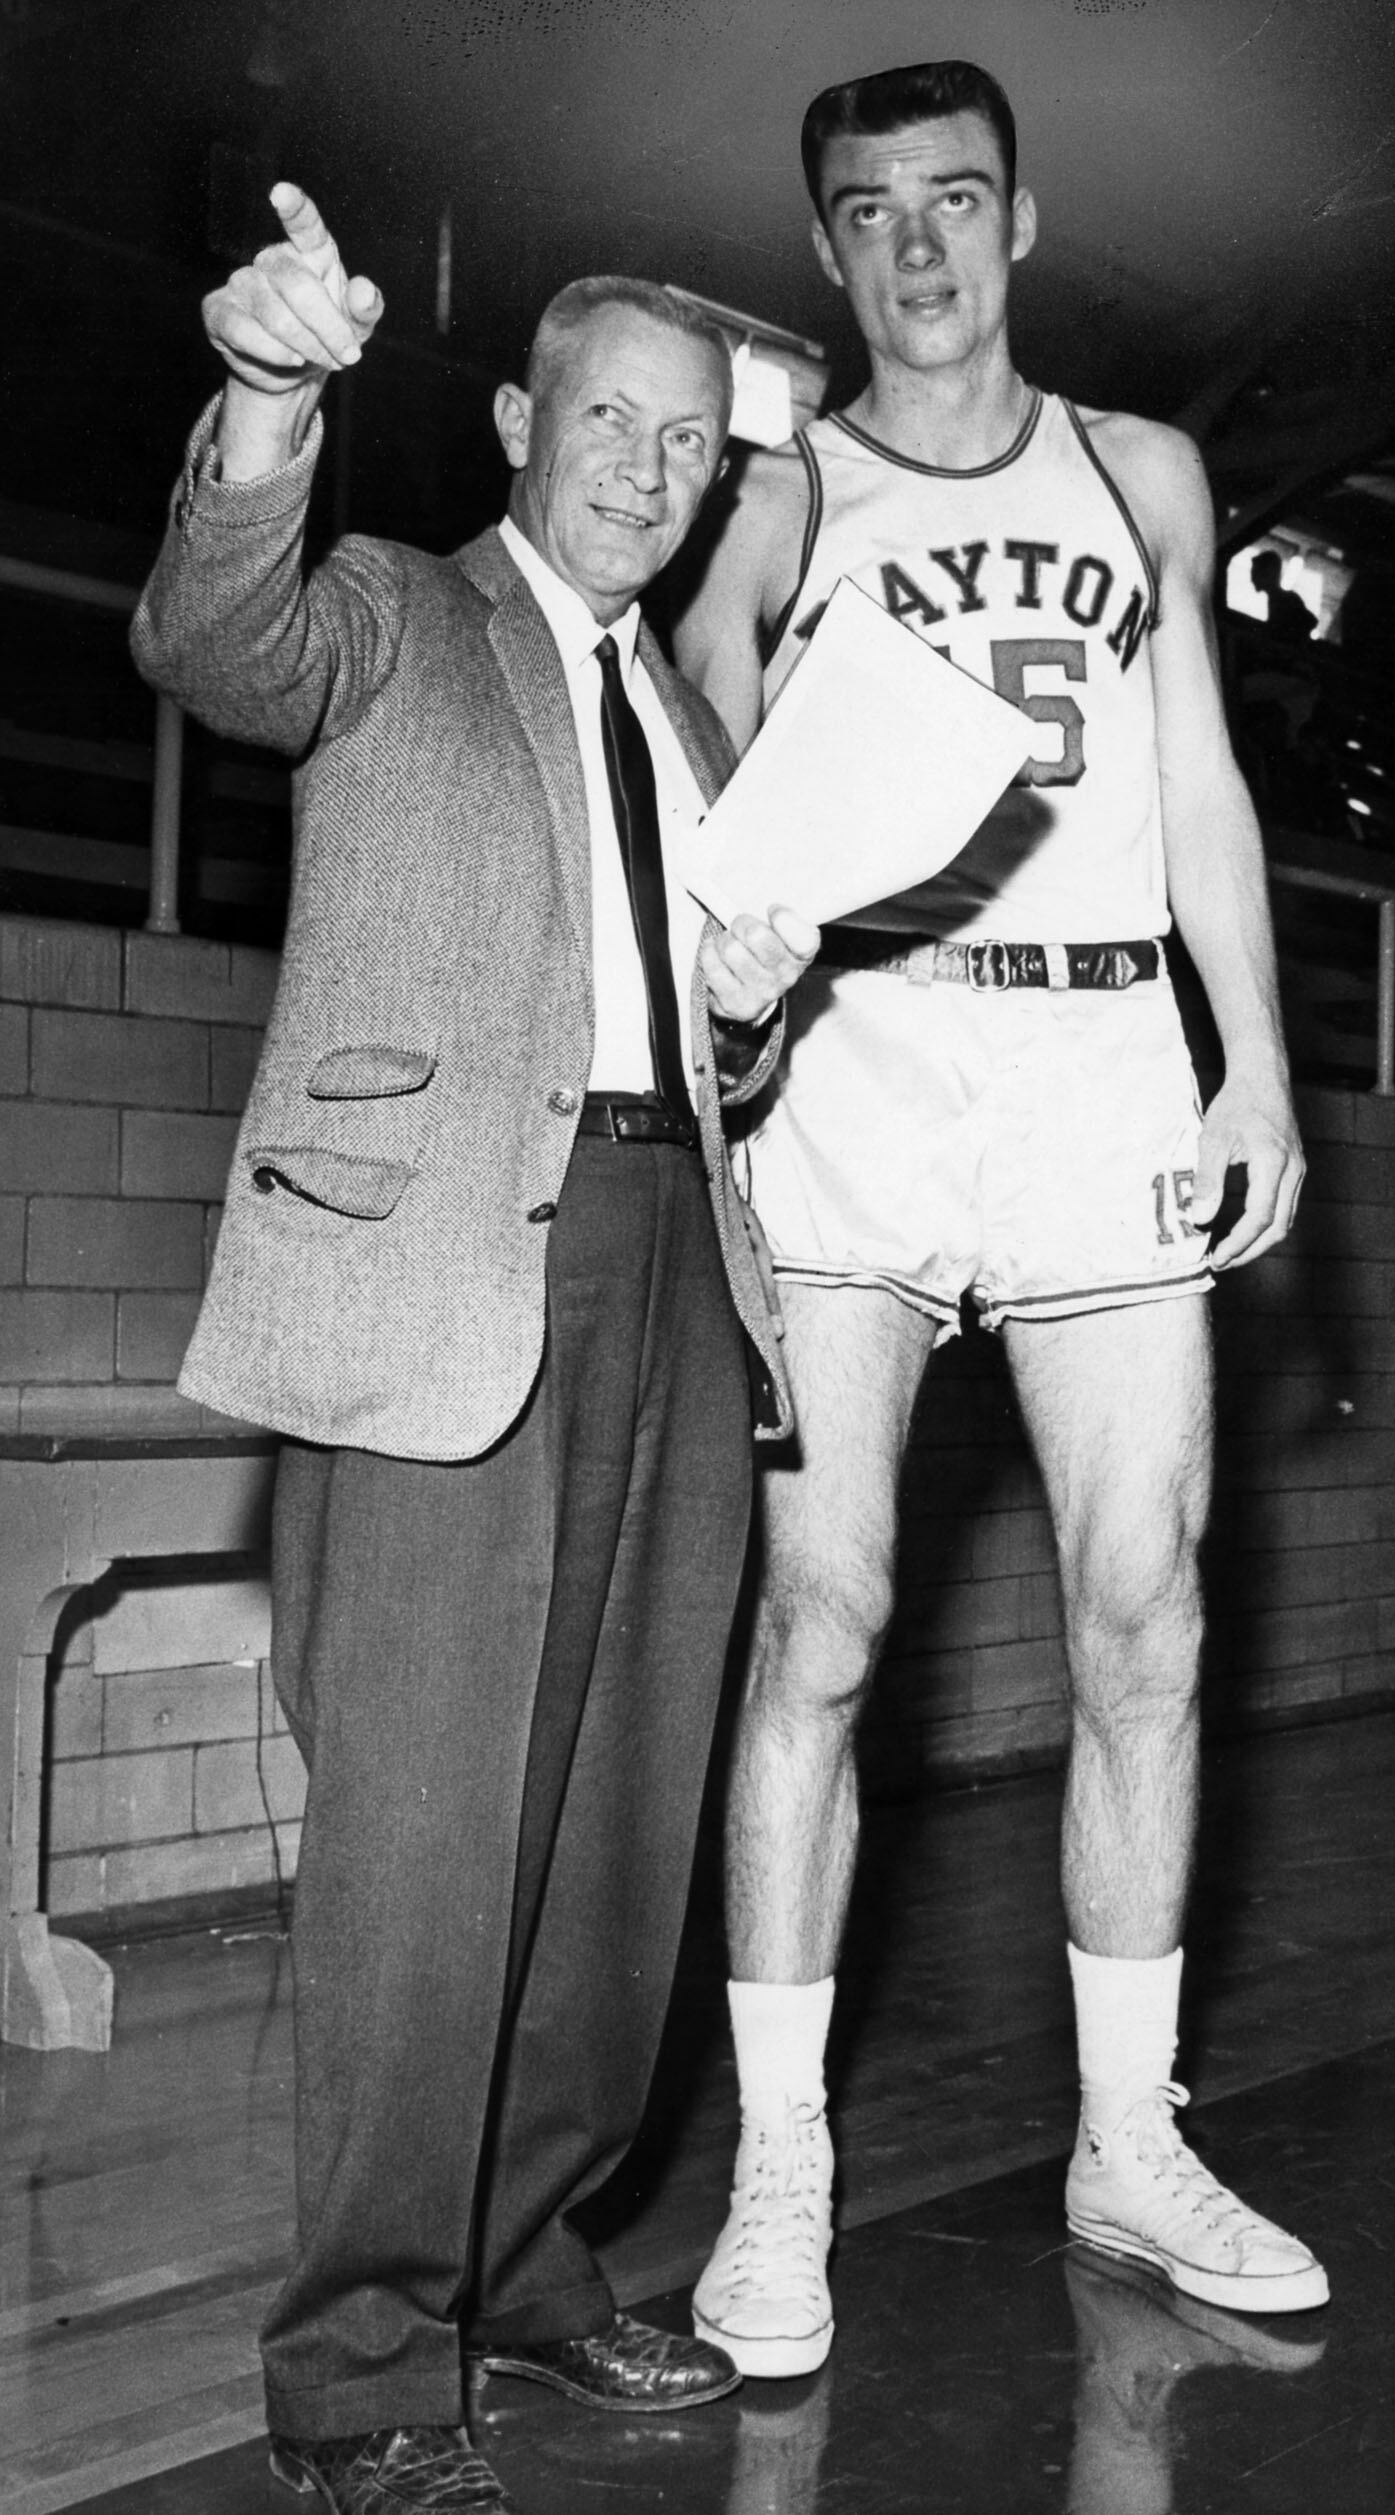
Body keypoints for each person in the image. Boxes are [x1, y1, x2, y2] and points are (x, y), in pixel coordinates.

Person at [132, 183, 819, 2515]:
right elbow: (215, 636)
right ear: (524, 418)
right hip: (446, 1276)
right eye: (604, 420)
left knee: (619, 1835)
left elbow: (672, 989)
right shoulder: (399, 614)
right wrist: (268, 397)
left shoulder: (694, 718)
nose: (639, 469)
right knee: (425, 1847)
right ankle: (354, 2368)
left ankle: (528, 2262)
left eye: (684, 446)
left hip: (670, 1249)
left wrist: (752, 1005)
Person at [672, 60, 1326, 2380]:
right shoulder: (778, 490)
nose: (920, 250)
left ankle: (1124, 2142)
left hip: (1087, 1070)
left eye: (956, 202)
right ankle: (776, 2181)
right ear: (826, 250)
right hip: (862, 1064)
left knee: (1142, 1611)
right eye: (870, 215)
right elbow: (704, 792)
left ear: (1022, 220)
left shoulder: (1137, 468)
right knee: (820, 1617)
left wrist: (1248, 1058)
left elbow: (1201, 782)